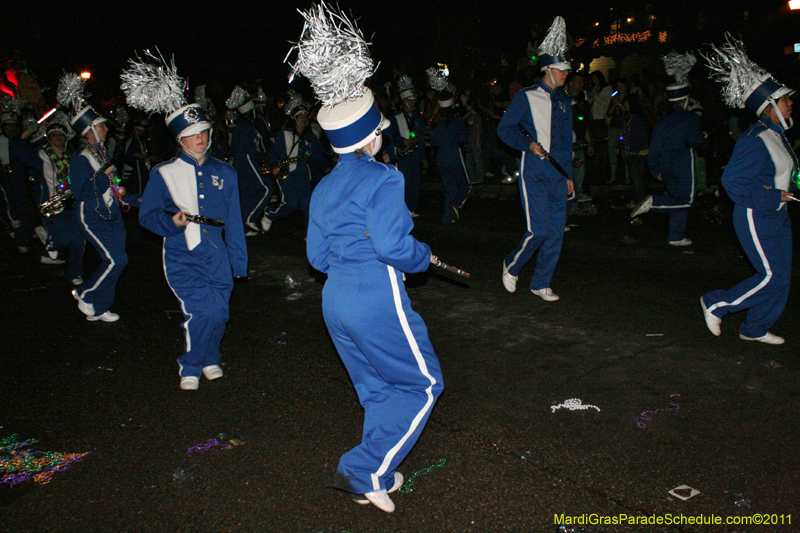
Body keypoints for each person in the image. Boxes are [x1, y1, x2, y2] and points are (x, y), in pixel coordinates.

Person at [289, 3, 443, 513]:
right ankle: (366, 471)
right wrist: (420, 254)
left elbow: (315, 255)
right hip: (376, 294)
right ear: (371, 135)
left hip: (335, 299)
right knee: (422, 385)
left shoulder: (325, 186)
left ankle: (374, 473)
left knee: (378, 388)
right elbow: (393, 248)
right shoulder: (385, 177)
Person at [126, 52, 248, 389]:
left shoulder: (226, 171)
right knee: (201, 312)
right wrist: (173, 223)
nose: (201, 138)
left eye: (204, 132)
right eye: (193, 134)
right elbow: (148, 216)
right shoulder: (163, 172)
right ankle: (190, 365)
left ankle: (210, 357)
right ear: (180, 139)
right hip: (182, 253)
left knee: (220, 313)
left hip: (218, 255)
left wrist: (238, 261)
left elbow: (234, 221)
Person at [700, 36, 797, 345]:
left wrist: (790, 190)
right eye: (785, 99)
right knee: (771, 276)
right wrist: (773, 195)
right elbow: (732, 182)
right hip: (756, 215)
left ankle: (754, 328)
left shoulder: (778, 135)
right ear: (769, 107)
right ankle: (716, 303)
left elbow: (786, 174)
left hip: (777, 216)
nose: (791, 102)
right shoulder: (756, 137)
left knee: (780, 278)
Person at [498, 16, 574, 302]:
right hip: (534, 172)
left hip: (558, 174)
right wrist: (527, 144)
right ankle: (512, 264)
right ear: (548, 69)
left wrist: (568, 176)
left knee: (556, 233)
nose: (566, 74)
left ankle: (541, 282)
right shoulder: (526, 97)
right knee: (538, 229)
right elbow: (503, 130)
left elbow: (567, 143)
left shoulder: (565, 101)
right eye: (562, 70)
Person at [59, 73, 131, 322]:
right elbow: (81, 192)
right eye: (100, 125)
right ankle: (85, 293)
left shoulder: (100, 153)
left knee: (116, 261)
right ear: (89, 130)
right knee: (116, 260)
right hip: (92, 214)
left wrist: (121, 191)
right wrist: (104, 176)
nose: (105, 129)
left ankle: (99, 307)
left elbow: (109, 184)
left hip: (111, 213)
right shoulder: (81, 158)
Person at [632, 52, 707, 246]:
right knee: (687, 201)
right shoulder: (691, 118)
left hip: (666, 165)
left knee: (677, 199)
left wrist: (655, 169)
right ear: (686, 98)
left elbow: (654, 147)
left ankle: (675, 235)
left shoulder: (663, 121)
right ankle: (655, 202)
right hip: (684, 164)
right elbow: (698, 142)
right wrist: (704, 139)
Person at [13, 115, 85, 282]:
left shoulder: (72, 156)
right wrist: (25, 133)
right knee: (64, 238)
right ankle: (48, 238)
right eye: (54, 135)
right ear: (49, 138)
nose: (58, 138)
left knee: (79, 239)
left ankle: (75, 273)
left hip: (72, 203)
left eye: (61, 135)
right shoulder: (41, 155)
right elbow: (17, 150)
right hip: (51, 204)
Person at [263, 95, 328, 234]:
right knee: (290, 204)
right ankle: (269, 213)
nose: (304, 120)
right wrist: (274, 166)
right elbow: (273, 152)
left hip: (303, 176)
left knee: (308, 206)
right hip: (286, 174)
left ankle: (308, 235)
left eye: (306, 117)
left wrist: (328, 169)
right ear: (294, 118)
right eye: (301, 117)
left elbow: (318, 157)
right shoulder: (285, 134)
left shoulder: (310, 138)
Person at [227, 86, 273, 236]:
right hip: (246, 162)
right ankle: (249, 218)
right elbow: (248, 151)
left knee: (248, 194)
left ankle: (244, 229)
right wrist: (259, 160)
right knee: (266, 188)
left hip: (241, 163)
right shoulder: (247, 127)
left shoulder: (244, 126)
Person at [430, 87, 471, 224]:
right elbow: (463, 139)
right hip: (454, 154)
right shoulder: (457, 120)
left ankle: (447, 218)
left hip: (440, 157)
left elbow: (434, 142)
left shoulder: (435, 123)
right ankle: (456, 204)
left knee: (450, 188)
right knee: (465, 185)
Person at [387, 74, 426, 215]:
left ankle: (411, 208)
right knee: (402, 183)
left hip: (414, 154)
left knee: (414, 183)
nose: (413, 103)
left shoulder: (418, 118)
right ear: (404, 102)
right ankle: (401, 208)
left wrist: (423, 157)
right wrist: (402, 141)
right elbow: (390, 136)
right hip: (402, 155)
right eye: (410, 101)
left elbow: (420, 137)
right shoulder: (395, 118)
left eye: (414, 100)